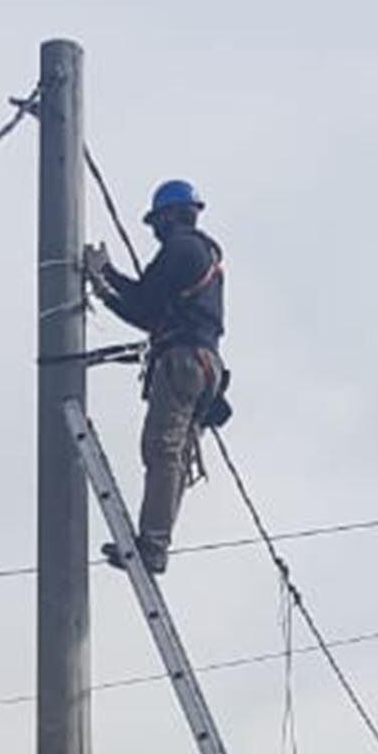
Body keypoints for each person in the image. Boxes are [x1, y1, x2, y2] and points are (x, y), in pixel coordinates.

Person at [83, 178, 226, 575]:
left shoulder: (181, 249)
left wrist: (106, 275)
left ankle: (153, 546)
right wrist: (107, 285)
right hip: (203, 365)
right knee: (173, 454)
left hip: (184, 362)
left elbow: (143, 303)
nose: (155, 231)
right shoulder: (200, 255)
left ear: (173, 215)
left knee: (162, 450)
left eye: (157, 221)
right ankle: (156, 543)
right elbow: (147, 313)